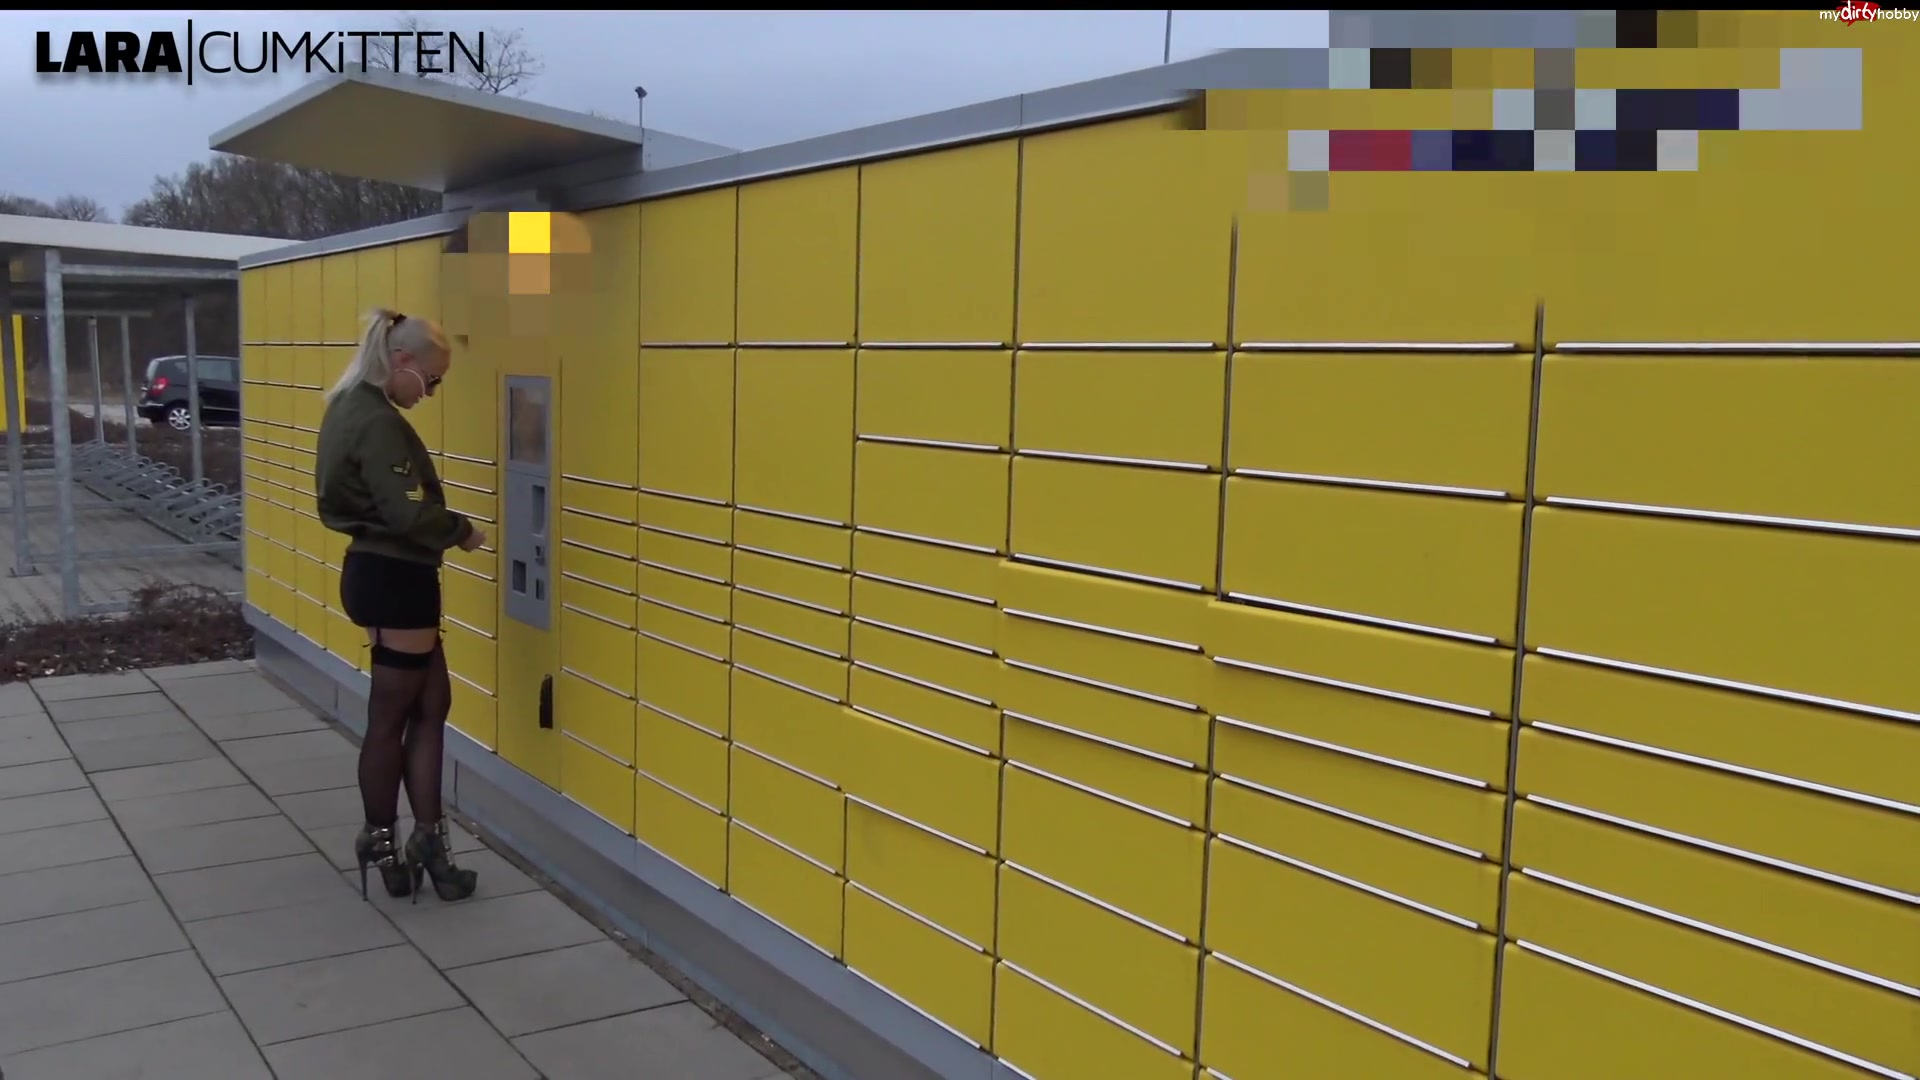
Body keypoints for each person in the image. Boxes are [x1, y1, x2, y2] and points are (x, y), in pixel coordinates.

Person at [316, 308, 487, 904]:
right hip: (396, 578)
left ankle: (425, 841)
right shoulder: (376, 420)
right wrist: (462, 530)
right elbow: (408, 513)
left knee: (431, 703)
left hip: (379, 572)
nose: (431, 392)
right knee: (393, 716)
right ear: (404, 361)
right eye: (432, 380)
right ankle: (385, 841)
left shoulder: (349, 406)